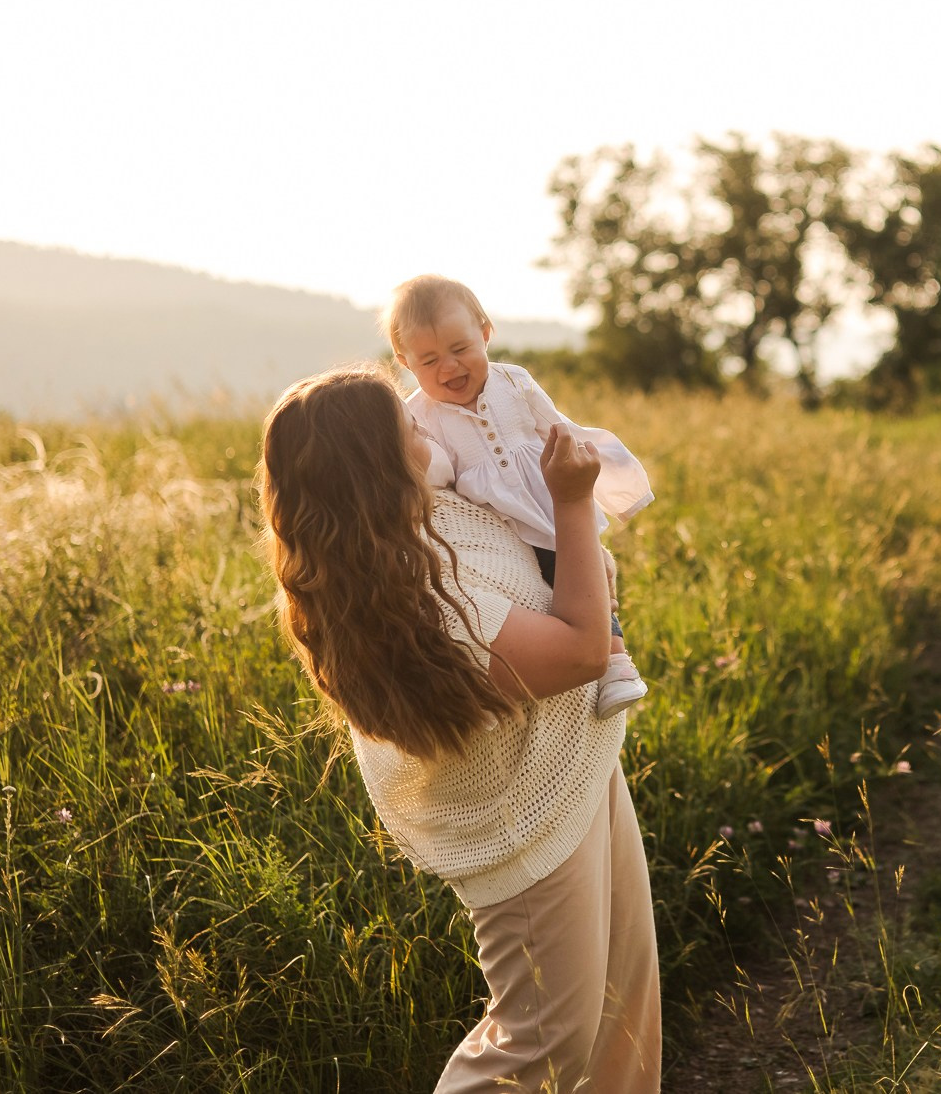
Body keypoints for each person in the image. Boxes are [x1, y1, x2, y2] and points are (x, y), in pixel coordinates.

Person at [261, 366, 659, 1091]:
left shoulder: (418, 513)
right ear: (378, 461)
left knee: (621, 1010)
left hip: (577, 760)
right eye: (405, 425)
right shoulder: (423, 605)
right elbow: (577, 650)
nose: (423, 422)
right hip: (525, 818)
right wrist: (573, 502)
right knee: (540, 1045)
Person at [384, 274, 653, 717]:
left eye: (460, 349)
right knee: (531, 595)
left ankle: (617, 663)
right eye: (429, 360)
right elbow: (433, 469)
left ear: (486, 334)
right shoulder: (419, 414)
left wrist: (610, 483)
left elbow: (558, 430)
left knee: (587, 572)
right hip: (498, 528)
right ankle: (502, 684)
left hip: (548, 505)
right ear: (406, 362)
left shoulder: (514, 382)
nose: (449, 368)